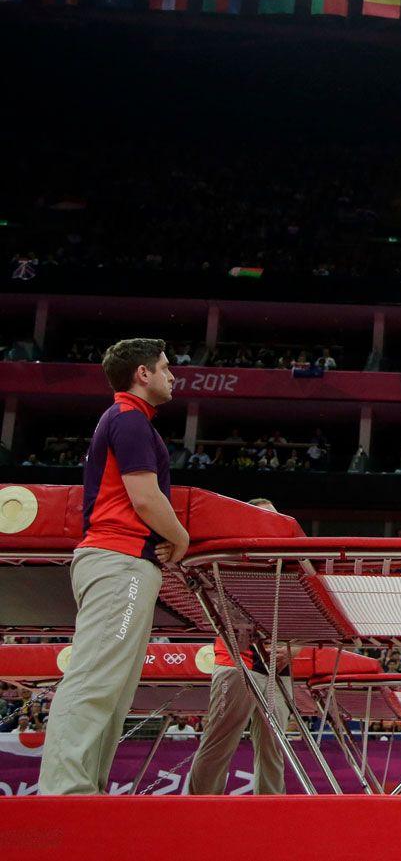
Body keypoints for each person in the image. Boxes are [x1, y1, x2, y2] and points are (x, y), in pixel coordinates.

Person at [39, 339, 187, 794]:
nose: (172, 376)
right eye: (164, 368)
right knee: (97, 679)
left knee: (115, 690)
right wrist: (179, 536)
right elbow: (144, 497)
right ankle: (63, 793)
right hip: (117, 561)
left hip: (122, 561)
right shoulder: (129, 420)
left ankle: (84, 791)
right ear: (142, 374)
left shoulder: (131, 421)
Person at [188, 497, 291, 796]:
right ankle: (198, 810)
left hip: (276, 669)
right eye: (264, 518)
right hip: (236, 662)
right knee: (219, 743)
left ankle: (270, 812)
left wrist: (292, 650)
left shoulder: (291, 565)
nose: (273, 525)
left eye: (277, 519)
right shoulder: (227, 558)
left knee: (274, 750)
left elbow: (301, 622)